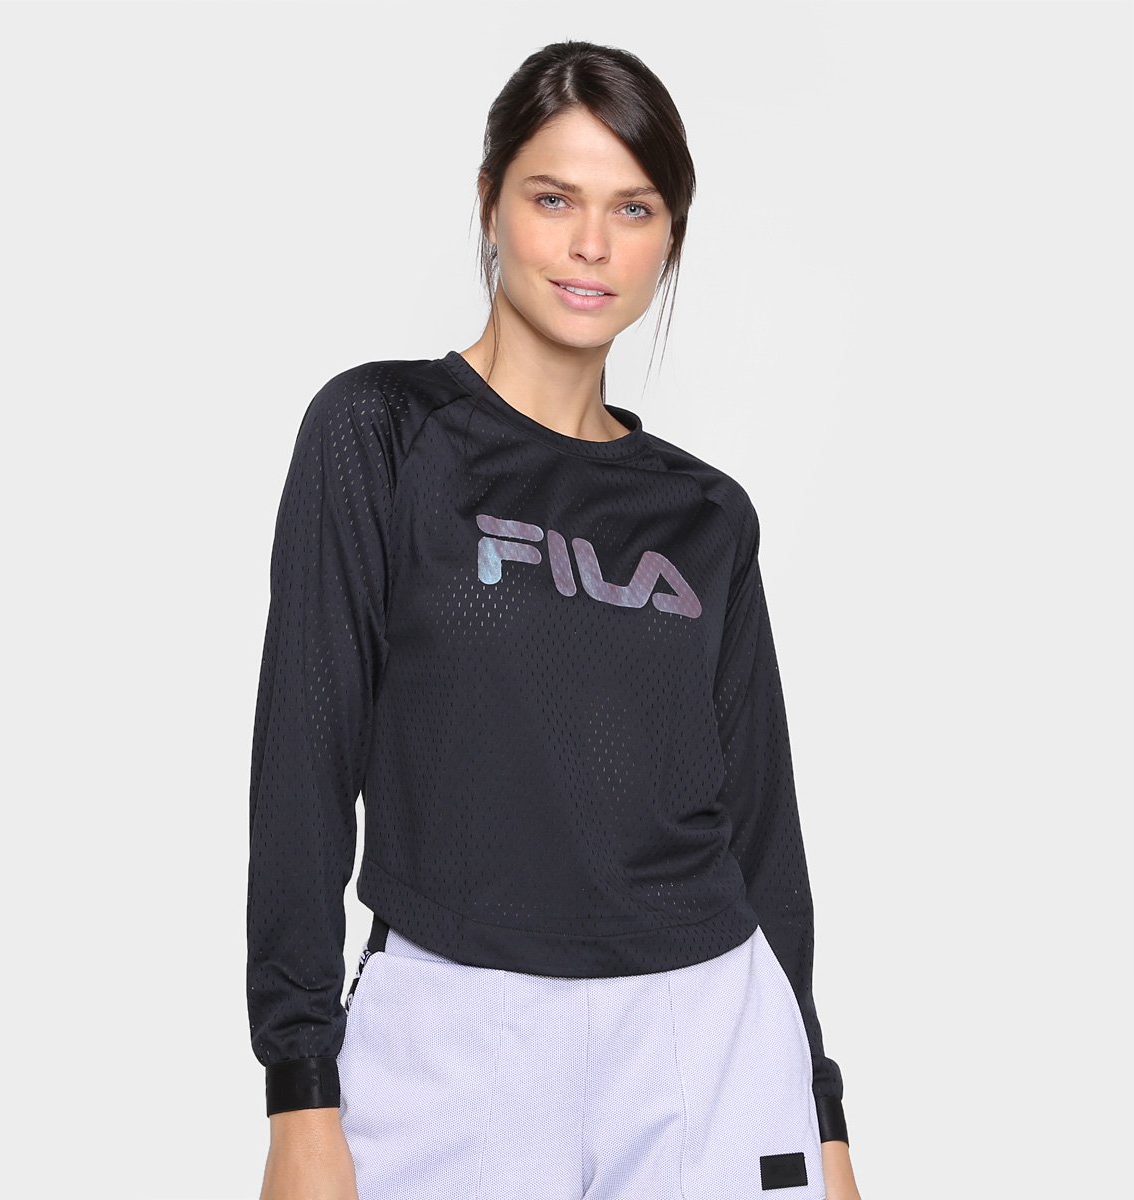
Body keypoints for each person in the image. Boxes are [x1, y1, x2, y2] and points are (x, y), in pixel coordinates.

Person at [247, 39, 862, 1200]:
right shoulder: (380, 433)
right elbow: (302, 772)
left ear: (670, 235)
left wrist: (821, 1111)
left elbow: (764, 834)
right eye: (553, 198)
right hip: (456, 1033)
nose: (592, 245)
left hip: (706, 1037)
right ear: (490, 205)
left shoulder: (707, 515)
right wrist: (300, 1089)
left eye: (633, 208)